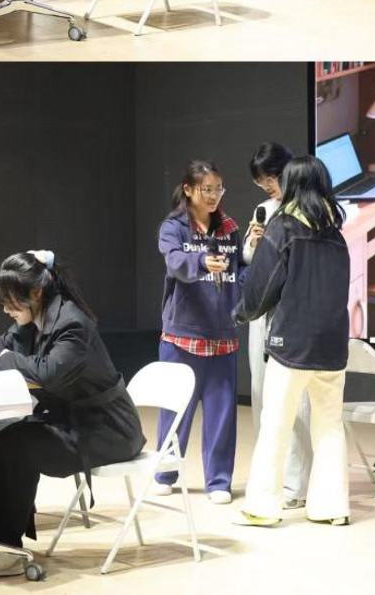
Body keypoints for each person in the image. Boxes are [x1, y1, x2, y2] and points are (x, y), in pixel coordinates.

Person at [0, 249, 145, 580]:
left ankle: (6, 548)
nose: (6, 310)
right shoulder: (32, 321)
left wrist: (4, 361)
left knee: (18, 445)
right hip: (74, 422)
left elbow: (50, 373)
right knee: (6, 437)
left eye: (11, 302)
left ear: (37, 293)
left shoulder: (72, 323)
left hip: (108, 431)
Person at [233, 156, 350, 527]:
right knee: (329, 427)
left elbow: (263, 285)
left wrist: (241, 313)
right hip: (333, 344)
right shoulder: (336, 233)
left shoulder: (283, 227)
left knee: (276, 423)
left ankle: (262, 507)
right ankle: (332, 508)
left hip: (292, 343)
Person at [155, 159, 242, 503]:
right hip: (183, 335)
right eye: (207, 189)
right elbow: (175, 262)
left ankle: (219, 482)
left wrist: (252, 259)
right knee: (175, 410)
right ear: (189, 190)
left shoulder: (230, 229)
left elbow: (242, 270)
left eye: (218, 189)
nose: (214, 195)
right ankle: (165, 473)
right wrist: (202, 262)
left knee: (222, 414)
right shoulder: (173, 227)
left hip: (222, 333)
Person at [243, 141, 313, 509]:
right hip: (262, 313)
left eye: (271, 178)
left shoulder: (307, 209)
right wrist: (255, 243)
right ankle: (268, 475)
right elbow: (248, 257)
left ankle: (295, 484)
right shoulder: (264, 209)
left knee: (295, 401)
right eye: (261, 182)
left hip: (292, 314)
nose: (267, 187)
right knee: (261, 395)